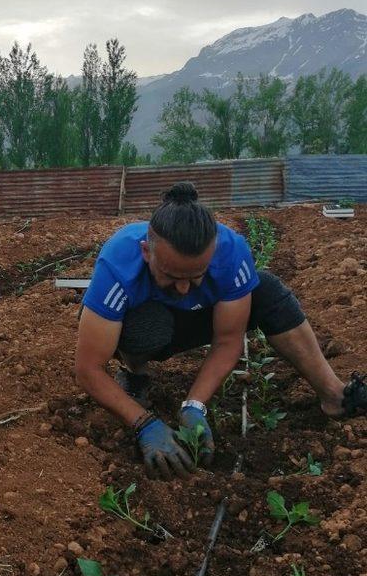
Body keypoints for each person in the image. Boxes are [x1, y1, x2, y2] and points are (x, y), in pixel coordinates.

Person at [75, 181, 366, 480]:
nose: (184, 288)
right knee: (147, 324)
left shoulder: (230, 252)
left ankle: (334, 395)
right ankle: (136, 377)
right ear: (147, 252)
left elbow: (228, 341)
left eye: (195, 276)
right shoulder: (118, 261)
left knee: (266, 290)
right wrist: (142, 423)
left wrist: (194, 406)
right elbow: (88, 368)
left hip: (199, 320)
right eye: (171, 276)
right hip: (148, 326)